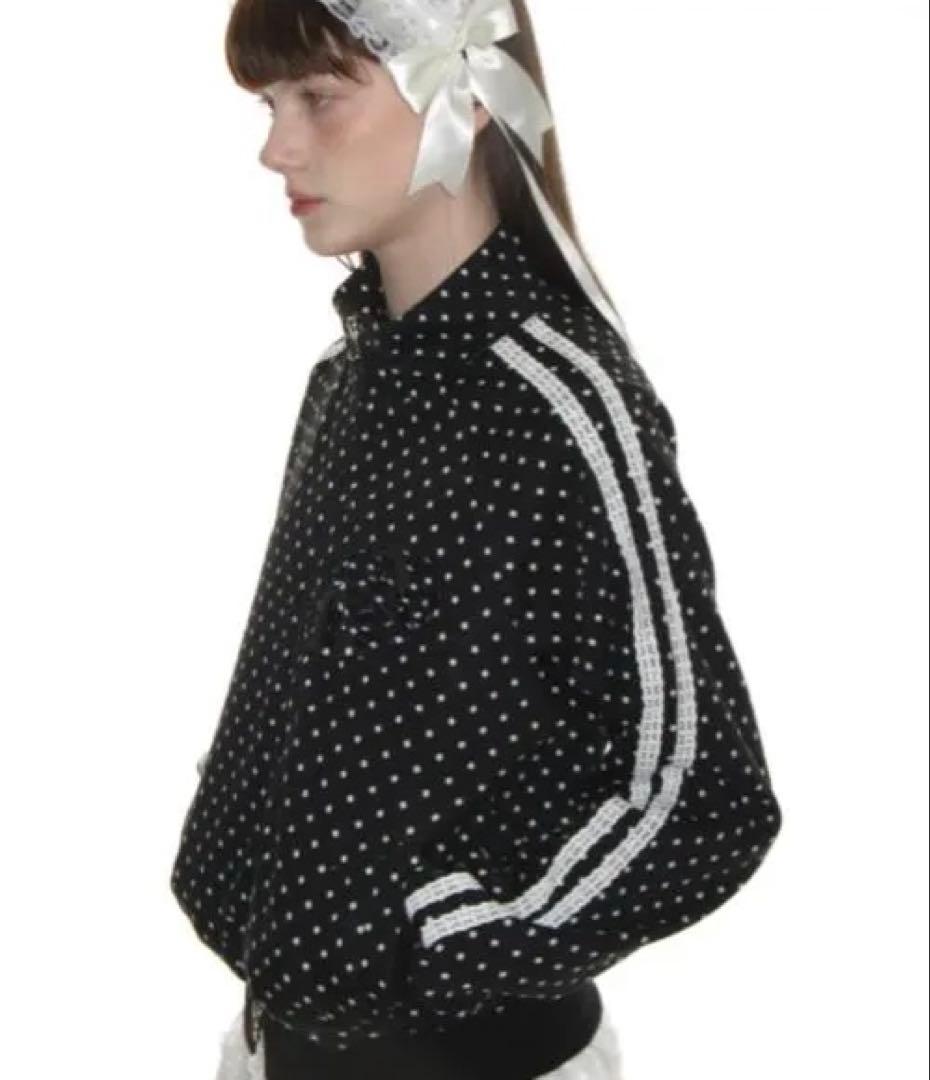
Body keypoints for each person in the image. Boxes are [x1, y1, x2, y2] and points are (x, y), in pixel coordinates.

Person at [170, 3, 784, 1078]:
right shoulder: (349, 383)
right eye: (270, 106)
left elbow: (698, 789)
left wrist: (458, 937)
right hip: (274, 1046)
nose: (277, 147)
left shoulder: (562, 404)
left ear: (465, 91)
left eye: (317, 97)